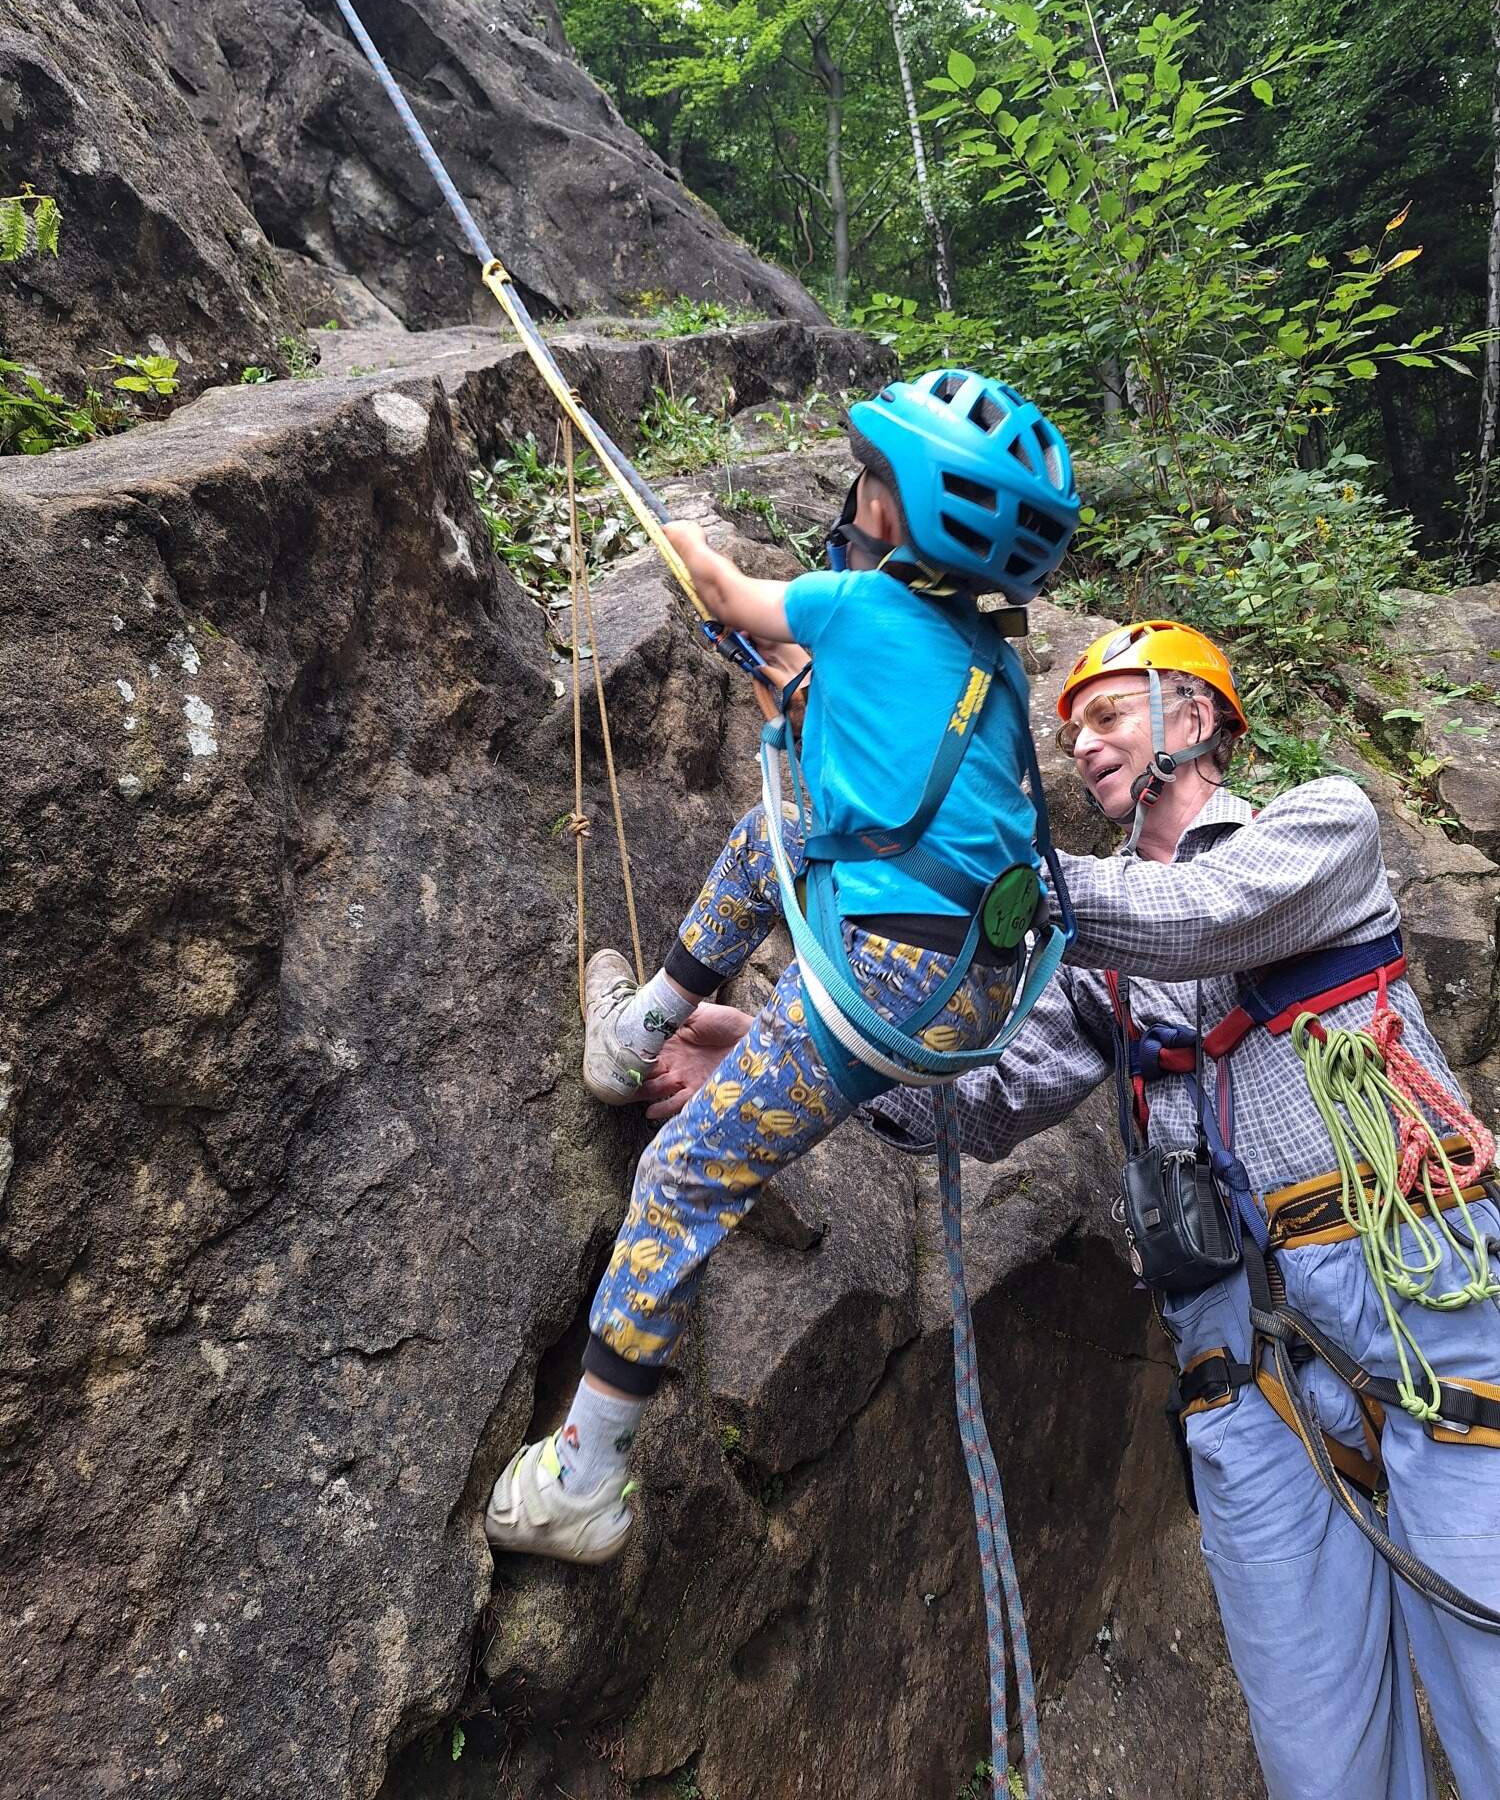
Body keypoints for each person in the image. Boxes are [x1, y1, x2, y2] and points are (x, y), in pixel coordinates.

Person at [645, 618, 1500, 1800]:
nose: (1083, 741)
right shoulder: (1093, 962)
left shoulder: (1320, 828)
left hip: (1412, 1293)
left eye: (1108, 712)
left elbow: (1202, 914)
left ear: (1195, 718)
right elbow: (982, 1098)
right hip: (1237, 1363)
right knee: (1319, 1757)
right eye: (1072, 725)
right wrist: (771, 1045)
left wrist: (982, 866)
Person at [484, 367, 1078, 1566]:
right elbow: (884, 762)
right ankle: (642, 1028)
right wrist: (786, 683)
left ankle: (583, 1477)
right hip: (961, 986)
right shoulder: (997, 675)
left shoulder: (854, 607)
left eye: (870, 476)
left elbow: (721, 589)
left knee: (685, 1172)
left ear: (902, 507)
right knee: (777, 831)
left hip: (872, 985)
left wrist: (683, 534)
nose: (854, 496)